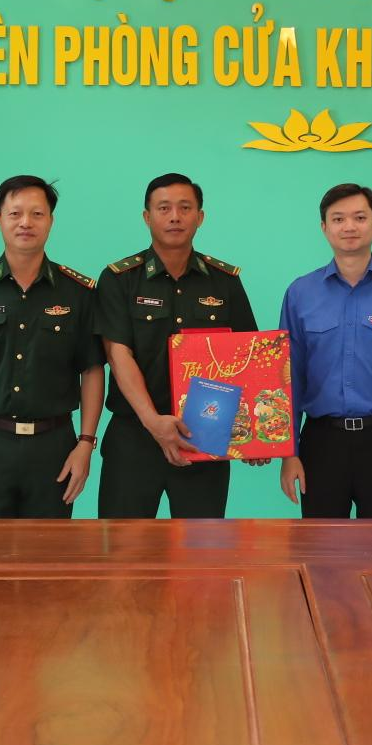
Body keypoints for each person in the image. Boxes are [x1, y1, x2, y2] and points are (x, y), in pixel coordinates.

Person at [0, 175, 105, 518]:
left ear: (50, 221)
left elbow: (92, 370)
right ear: (0, 219)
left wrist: (85, 444)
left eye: (37, 214)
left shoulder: (77, 292)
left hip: (55, 447)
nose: (26, 222)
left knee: (47, 549)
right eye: (15, 213)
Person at [94, 173, 256, 519]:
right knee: (124, 546)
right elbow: (117, 354)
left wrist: (251, 434)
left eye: (185, 208)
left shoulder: (225, 282)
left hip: (204, 434)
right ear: (147, 217)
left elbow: (248, 356)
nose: (175, 217)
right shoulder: (119, 279)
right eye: (164, 208)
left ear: (200, 216)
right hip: (135, 435)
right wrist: (153, 422)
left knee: (202, 547)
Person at [277, 184, 372, 518]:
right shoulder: (300, 294)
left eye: (360, 218)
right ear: (324, 227)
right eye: (338, 219)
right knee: (320, 545)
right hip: (321, 442)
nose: (349, 227)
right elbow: (288, 378)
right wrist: (289, 451)